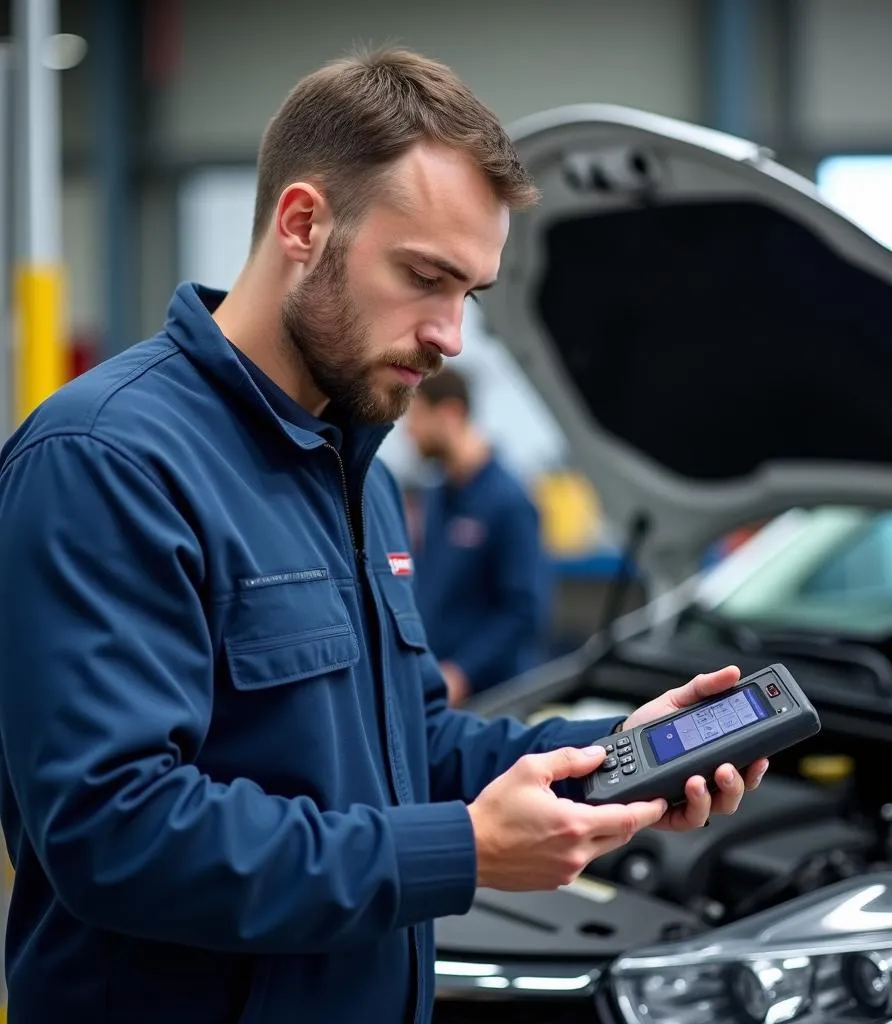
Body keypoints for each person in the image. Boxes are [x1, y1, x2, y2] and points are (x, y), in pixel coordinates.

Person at [0, 48, 768, 1024]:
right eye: (424, 276)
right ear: (303, 224)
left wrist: (607, 756)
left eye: (470, 294)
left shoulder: (349, 460)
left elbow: (410, 740)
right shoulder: (105, 460)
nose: (450, 335)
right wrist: (462, 851)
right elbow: (115, 831)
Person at [403, 367, 550, 704]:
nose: (409, 432)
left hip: (493, 702)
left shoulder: (509, 502)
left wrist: (462, 673)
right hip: (436, 693)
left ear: (450, 413)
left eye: (417, 417)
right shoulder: (435, 496)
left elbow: (523, 611)